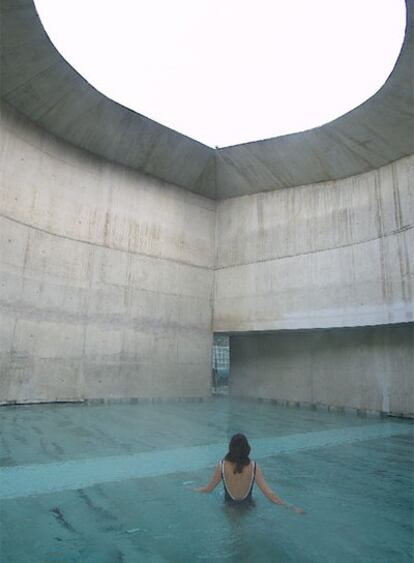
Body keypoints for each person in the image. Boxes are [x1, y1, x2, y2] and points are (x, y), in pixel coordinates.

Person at [194, 433, 305, 514]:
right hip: (249, 507)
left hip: (229, 508)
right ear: (247, 448)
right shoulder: (254, 466)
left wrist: (192, 489)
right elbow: (270, 494)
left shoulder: (221, 466)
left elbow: (208, 489)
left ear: (230, 448)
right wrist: (291, 507)